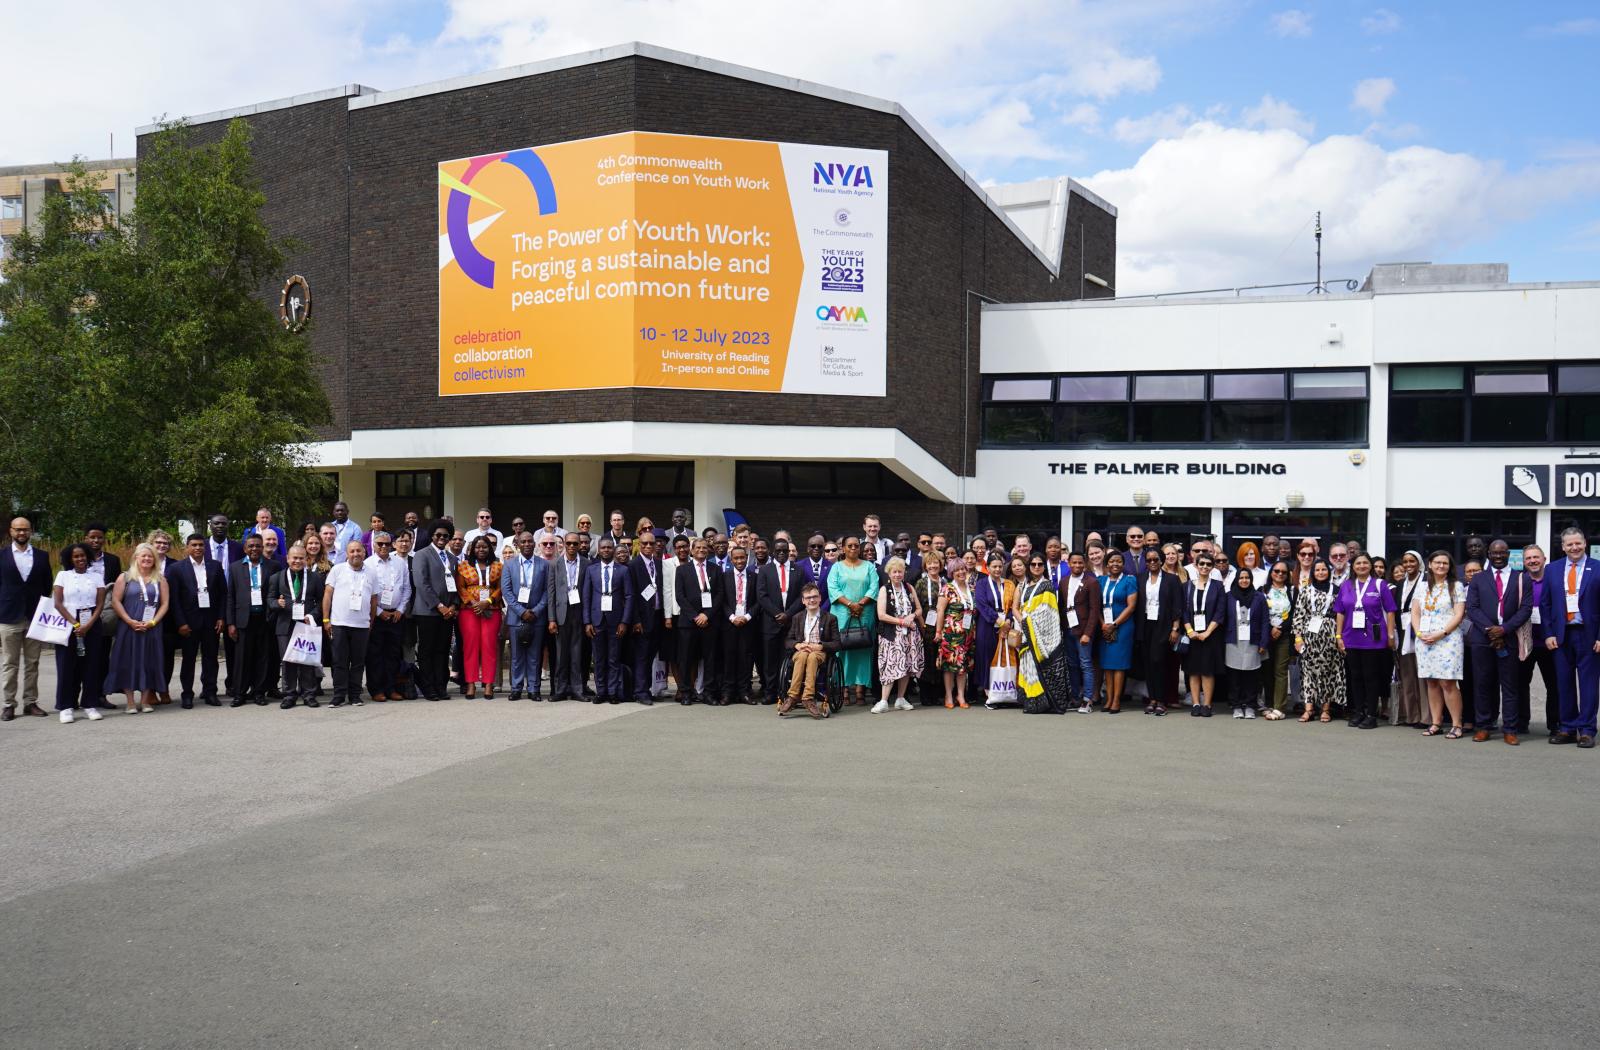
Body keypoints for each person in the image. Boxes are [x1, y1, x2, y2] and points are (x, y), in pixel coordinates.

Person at [1463, 539, 1533, 744]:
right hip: (1482, 639)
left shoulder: (1522, 578)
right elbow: (1472, 607)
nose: (1498, 556)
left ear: (1509, 554)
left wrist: (1503, 629)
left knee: (1510, 686)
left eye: (1502, 553)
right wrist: (1490, 630)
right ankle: (1483, 726)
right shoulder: (1478, 578)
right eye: (1494, 553)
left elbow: (1526, 609)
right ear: (1489, 554)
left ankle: (1510, 729)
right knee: (1482, 684)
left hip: (1509, 638)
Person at [1540, 527, 1600, 747]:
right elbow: (1545, 605)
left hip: (1589, 635)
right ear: (1563, 546)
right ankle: (1567, 727)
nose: (1574, 548)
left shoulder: (1598, 568)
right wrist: (1548, 633)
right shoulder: (1552, 569)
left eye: (1578, 543)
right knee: (1563, 683)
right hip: (1561, 635)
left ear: (1585, 543)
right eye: (1569, 544)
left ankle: (1586, 730)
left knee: (1588, 684)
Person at [1333, 552, 1397, 730]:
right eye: (1358, 563)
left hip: (1373, 637)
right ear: (1352, 567)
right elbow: (1340, 612)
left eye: (1365, 563)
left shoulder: (1379, 584)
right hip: (1351, 636)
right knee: (1356, 676)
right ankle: (1359, 711)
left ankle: (1371, 714)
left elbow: (1390, 610)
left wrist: (1391, 635)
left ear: (1370, 566)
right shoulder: (1346, 585)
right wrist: (1338, 636)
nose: (1361, 566)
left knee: (1371, 676)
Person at [0, 517, 54, 720]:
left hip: (34, 616)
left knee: (33, 663)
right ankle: (8, 704)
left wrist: (39, 607)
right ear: (10, 531)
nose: (21, 533)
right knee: (9, 663)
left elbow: (47, 584)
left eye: (25, 530)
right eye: (18, 530)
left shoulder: (42, 556)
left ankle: (30, 703)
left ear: (31, 531)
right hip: (8, 615)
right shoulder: (2, 555)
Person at [105, 542, 170, 714]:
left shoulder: (160, 579)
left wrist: (153, 622)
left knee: (149, 661)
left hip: (151, 628)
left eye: (150, 556)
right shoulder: (125, 577)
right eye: (144, 556)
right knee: (128, 661)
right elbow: (116, 601)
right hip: (129, 627)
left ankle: (146, 700)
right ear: (136, 558)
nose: (147, 559)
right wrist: (129, 621)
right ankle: (130, 702)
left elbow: (165, 604)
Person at [1411, 550, 1468, 737]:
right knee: (1431, 681)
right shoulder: (1421, 587)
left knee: (1448, 682)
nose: (1441, 566)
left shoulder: (1456, 586)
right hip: (1425, 639)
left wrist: (1441, 633)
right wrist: (1419, 632)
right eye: (1437, 562)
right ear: (1429, 564)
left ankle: (1456, 724)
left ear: (1450, 566)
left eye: (1445, 563)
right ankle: (1436, 722)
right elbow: (1416, 613)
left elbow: (1459, 614)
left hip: (1448, 639)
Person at [168, 533, 226, 708]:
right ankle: (187, 694)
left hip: (211, 621)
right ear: (187, 547)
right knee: (188, 659)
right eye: (194, 545)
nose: (198, 548)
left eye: (201, 545)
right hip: (189, 622)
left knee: (211, 659)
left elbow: (223, 594)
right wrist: (181, 623)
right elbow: (174, 599)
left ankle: (210, 692)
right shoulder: (177, 568)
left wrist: (221, 617)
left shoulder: (215, 566)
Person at [51, 543, 108, 722]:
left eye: (83, 556)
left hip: (91, 621)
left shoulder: (97, 576)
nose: (80, 559)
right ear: (70, 559)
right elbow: (58, 603)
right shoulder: (63, 576)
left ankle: (89, 704)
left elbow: (100, 603)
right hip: (68, 620)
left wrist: (89, 624)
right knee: (66, 664)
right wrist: (75, 624)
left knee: (91, 665)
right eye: (76, 557)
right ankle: (65, 706)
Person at [409, 520, 461, 702]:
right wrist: (440, 606)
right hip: (427, 612)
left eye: (445, 536)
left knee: (442, 650)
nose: (441, 538)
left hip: (447, 614)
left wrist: (453, 606)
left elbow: (455, 585)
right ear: (432, 536)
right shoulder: (421, 555)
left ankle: (441, 687)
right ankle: (428, 687)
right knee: (427, 651)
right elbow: (421, 584)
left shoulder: (453, 558)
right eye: (438, 535)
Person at [268, 543, 324, 709]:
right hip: (285, 626)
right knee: (288, 661)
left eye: (301, 558)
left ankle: (309, 694)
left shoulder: (314, 578)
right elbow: (269, 600)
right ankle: (289, 695)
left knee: (307, 660)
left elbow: (321, 602)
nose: (297, 561)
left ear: (306, 560)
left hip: (306, 624)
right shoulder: (276, 578)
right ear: (287, 559)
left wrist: (312, 615)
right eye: (294, 558)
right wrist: (277, 603)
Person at [322, 540, 377, 707]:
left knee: (358, 662)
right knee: (339, 661)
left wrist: (371, 621)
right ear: (347, 553)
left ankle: (354, 695)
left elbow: (374, 600)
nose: (355, 554)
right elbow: (327, 596)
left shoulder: (371, 572)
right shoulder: (337, 570)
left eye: (359, 551)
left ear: (364, 553)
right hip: (339, 623)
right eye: (352, 551)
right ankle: (339, 695)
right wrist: (326, 619)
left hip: (361, 625)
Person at [579, 536, 632, 704]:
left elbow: (629, 597)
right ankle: (601, 692)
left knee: (614, 659)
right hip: (596, 621)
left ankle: (613, 692)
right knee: (599, 659)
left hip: (616, 622)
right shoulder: (591, 570)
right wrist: (587, 622)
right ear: (598, 550)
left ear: (614, 550)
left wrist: (625, 621)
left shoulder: (623, 570)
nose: (606, 550)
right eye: (603, 548)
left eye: (609, 547)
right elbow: (586, 597)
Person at [225, 536, 275, 706]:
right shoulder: (235, 567)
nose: (254, 549)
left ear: (262, 548)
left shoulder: (272, 566)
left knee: (262, 657)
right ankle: (239, 693)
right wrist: (230, 623)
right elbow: (230, 596)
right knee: (242, 659)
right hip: (243, 620)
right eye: (251, 546)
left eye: (258, 546)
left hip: (264, 618)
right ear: (245, 548)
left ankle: (259, 692)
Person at [827, 537, 877, 706]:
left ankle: (860, 691)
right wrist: (850, 604)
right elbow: (833, 588)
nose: (854, 548)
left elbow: (874, 587)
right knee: (843, 650)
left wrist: (860, 604)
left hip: (865, 613)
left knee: (863, 649)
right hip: (842, 614)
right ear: (843, 548)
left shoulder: (869, 567)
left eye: (856, 546)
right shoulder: (836, 568)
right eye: (850, 546)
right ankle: (844, 690)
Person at [1293, 558, 1344, 722]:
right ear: (1313, 573)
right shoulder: (1305, 590)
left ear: (1328, 572)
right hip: (1309, 635)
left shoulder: (1337, 590)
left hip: (1329, 635)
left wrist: (1339, 636)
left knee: (1327, 673)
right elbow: (1299, 615)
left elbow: (1341, 615)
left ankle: (1326, 709)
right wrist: (1298, 637)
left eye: (1323, 570)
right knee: (1308, 672)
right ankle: (1308, 709)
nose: (1321, 572)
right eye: (1317, 570)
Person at [673, 537, 721, 705]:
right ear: (692, 551)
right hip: (688, 623)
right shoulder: (682, 570)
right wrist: (695, 616)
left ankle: (708, 693)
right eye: (698, 547)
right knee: (686, 659)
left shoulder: (715, 569)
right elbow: (680, 596)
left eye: (704, 547)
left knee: (710, 659)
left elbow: (720, 595)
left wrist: (707, 615)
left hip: (710, 622)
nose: (701, 550)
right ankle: (686, 692)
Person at [1517, 545, 1559, 736]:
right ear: (1524, 562)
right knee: (1520, 684)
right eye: (1528, 558)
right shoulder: (1519, 581)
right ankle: (1521, 722)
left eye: (1536, 557)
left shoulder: (1554, 581)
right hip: (1524, 641)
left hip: (1550, 642)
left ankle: (1555, 724)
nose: (1532, 561)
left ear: (1544, 559)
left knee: (1554, 685)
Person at [872, 557, 923, 713]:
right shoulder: (884, 590)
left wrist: (912, 616)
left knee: (906, 665)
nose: (897, 575)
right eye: (894, 572)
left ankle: (901, 698)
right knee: (890, 667)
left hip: (909, 634)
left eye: (900, 572)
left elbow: (919, 610)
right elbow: (881, 615)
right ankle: (883, 700)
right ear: (889, 573)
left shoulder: (909, 588)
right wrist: (901, 621)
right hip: (892, 635)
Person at [365, 531, 411, 702]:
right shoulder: (368, 564)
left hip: (397, 616)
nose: (383, 546)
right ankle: (376, 689)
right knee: (375, 654)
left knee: (393, 654)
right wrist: (378, 612)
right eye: (380, 544)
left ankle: (391, 688)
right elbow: (367, 591)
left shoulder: (399, 563)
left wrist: (400, 609)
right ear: (373, 545)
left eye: (386, 543)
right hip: (376, 616)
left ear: (392, 544)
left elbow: (407, 588)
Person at [756, 538, 803, 705]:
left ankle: (786, 692)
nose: (782, 553)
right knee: (770, 660)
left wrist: (788, 614)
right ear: (773, 552)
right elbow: (761, 596)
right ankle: (770, 692)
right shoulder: (765, 570)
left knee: (789, 659)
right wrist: (777, 614)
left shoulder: (798, 570)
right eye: (779, 551)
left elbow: (800, 596)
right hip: (770, 622)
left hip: (791, 623)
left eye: (785, 550)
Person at [504, 532, 550, 701]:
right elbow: (507, 592)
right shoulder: (509, 565)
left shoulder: (544, 565)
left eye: (530, 541)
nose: (527, 544)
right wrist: (521, 611)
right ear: (518, 544)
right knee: (516, 656)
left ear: (535, 543)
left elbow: (547, 592)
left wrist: (536, 611)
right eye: (523, 542)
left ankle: (533, 689)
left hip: (536, 618)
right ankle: (516, 688)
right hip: (516, 618)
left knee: (534, 656)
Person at [455, 535, 502, 699]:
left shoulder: (498, 566)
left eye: (484, 547)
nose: (481, 550)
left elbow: (500, 587)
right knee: (470, 647)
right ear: (472, 549)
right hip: (469, 611)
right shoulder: (463, 566)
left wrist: (488, 601)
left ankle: (488, 684)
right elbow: (460, 587)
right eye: (477, 547)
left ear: (490, 548)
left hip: (492, 610)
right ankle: (470, 684)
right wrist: (474, 603)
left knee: (489, 646)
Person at [1137, 548, 1182, 716]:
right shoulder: (1140, 578)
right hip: (1145, 624)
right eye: (1148, 560)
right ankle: (1152, 699)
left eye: (1155, 559)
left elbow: (1177, 605)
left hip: (1164, 625)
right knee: (1148, 662)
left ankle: (1162, 700)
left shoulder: (1172, 580)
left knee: (1159, 661)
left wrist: (1175, 628)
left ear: (1161, 560)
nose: (1152, 563)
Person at [546, 533, 590, 701]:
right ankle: (561, 689)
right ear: (563, 544)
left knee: (577, 653)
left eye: (575, 543)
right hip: (561, 614)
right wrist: (551, 619)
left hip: (579, 612)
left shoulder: (586, 564)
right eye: (569, 543)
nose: (572, 546)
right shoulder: (554, 564)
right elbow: (551, 593)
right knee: (561, 654)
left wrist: (588, 620)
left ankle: (578, 689)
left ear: (580, 545)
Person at [780, 584, 835, 719]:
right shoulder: (797, 617)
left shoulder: (830, 618)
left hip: (818, 652)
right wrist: (797, 645)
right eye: (808, 598)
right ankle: (793, 696)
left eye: (815, 597)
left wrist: (821, 646)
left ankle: (807, 697)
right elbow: (788, 640)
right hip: (802, 651)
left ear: (820, 598)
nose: (812, 600)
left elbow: (837, 643)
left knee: (811, 657)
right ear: (803, 601)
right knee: (804, 655)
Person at [1181, 550, 1226, 715]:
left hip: (1210, 635)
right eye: (1202, 564)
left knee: (1207, 670)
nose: (1205, 567)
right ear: (1196, 565)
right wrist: (1189, 630)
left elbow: (1220, 612)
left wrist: (1208, 632)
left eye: (1208, 564)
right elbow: (1183, 611)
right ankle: (1195, 704)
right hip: (1192, 634)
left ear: (1212, 567)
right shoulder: (1187, 586)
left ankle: (1206, 704)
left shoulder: (1218, 586)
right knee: (1193, 670)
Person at [1223, 567, 1270, 719]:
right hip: (1233, 640)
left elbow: (1264, 621)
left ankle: (1250, 705)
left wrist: (1264, 642)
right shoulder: (1229, 596)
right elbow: (1223, 619)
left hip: (1253, 641)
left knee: (1251, 675)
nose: (1244, 580)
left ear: (1251, 580)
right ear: (1236, 579)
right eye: (1241, 578)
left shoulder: (1259, 597)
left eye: (1247, 578)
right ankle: (1236, 705)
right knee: (1234, 675)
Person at [1095, 550, 1137, 714]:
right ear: (1106, 564)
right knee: (1107, 664)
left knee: (1119, 665)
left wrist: (1114, 624)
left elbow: (1131, 606)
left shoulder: (1129, 581)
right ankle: (1109, 698)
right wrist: (1103, 624)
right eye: (1112, 561)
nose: (1115, 564)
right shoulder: (1101, 581)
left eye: (1118, 561)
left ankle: (1116, 700)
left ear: (1123, 564)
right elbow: (1096, 604)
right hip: (1104, 626)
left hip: (1123, 626)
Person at [1060, 551, 1102, 708]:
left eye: (1080, 563)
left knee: (1085, 663)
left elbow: (1094, 610)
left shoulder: (1092, 582)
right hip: (1068, 629)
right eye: (1074, 562)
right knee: (1072, 664)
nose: (1077, 565)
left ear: (1085, 564)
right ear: (1069, 564)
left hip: (1083, 631)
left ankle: (1087, 698)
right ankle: (1075, 697)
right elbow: (1061, 606)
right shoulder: (1063, 582)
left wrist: (1088, 633)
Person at [935, 561, 977, 709]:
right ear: (952, 572)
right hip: (951, 633)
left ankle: (960, 695)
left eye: (963, 569)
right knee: (949, 665)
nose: (961, 572)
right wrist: (938, 632)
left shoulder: (971, 589)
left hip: (968, 633)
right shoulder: (947, 588)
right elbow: (940, 611)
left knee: (963, 666)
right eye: (957, 570)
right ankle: (948, 694)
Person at [1391, 552, 1426, 726]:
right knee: (1407, 674)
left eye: (1412, 561)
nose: (1408, 564)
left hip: (1420, 631)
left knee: (1422, 674)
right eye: (1405, 561)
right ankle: (1411, 715)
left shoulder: (1426, 581)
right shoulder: (1400, 584)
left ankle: (1427, 716)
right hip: (1403, 631)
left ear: (1419, 563)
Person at [1261, 561, 1295, 718]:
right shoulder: (1262, 590)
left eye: (1283, 572)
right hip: (1266, 635)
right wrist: (1270, 629)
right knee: (1267, 670)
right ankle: (1268, 704)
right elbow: (1259, 614)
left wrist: (1280, 629)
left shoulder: (1293, 591)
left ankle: (1279, 707)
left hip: (1284, 636)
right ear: (1271, 572)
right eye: (1276, 571)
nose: (1280, 574)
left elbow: (1295, 613)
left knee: (1280, 671)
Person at [914, 551, 947, 705]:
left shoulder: (945, 583)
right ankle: (925, 695)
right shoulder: (921, 583)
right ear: (925, 566)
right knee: (926, 659)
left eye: (936, 563)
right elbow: (917, 605)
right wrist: (922, 625)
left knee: (939, 659)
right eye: (930, 563)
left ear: (940, 565)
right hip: (925, 626)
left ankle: (937, 694)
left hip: (942, 626)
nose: (933, 566)